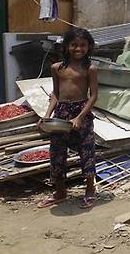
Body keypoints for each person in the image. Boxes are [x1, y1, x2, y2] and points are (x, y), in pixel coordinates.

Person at [37, 27, 98, 209]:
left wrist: (80, 117)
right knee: (57, 152)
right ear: (66, 46)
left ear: (89, 47)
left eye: (82, 45)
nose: (78, 49)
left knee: (86, 151)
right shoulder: (57, 68)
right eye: (74, 45)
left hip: (82, 111)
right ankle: (60, 192)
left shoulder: (90, 69)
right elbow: (55, 93)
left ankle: (89, 190)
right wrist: (47, 116)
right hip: (62, 112)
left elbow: (94, 95)